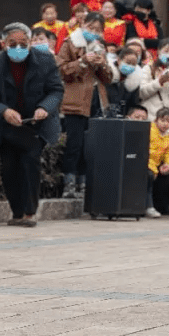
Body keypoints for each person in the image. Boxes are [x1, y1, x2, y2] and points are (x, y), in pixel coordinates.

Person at [0, 22, 64, 227]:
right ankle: (16, 212)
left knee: (29, 160)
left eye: (23, 44)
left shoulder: (44, 60)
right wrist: (4, 111)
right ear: (3, 43)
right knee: (8, 167)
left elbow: (56, 91)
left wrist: (45, 107)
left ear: (31, 43)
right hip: (6, 124)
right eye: (12, 43)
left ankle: (29, 213)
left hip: (36, 123)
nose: (18, 48)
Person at [55, 11, 113, 199]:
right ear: (82, 24)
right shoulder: (70, 43)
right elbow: (61, 70)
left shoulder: (100, 47)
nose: (94, 32)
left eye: (98, 29)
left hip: (96, 100)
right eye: (90, 27)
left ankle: (84, 184)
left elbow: (109, 78)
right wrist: (82, 61)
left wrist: (102, 64)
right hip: (75, 101)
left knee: (90, 146)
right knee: (75, 145)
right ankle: (69, 184)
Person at [135, 39, 169, 152]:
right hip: (152, 119)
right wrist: (158, 82)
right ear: (159, 52)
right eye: (166, 51)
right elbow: (141, 93)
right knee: (149, 156)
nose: (168, 54)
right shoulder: (148, 69)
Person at [147, 108, 169, 217]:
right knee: (149, 176)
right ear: (156, 120)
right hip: (147, 163)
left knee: (167, 177)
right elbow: (146, 152)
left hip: (157, 164)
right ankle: (148, 206)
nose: (165, 124)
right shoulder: (150, 130)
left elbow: (168, 153)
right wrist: (154, 169)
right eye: (162, 120)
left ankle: (161, 206)